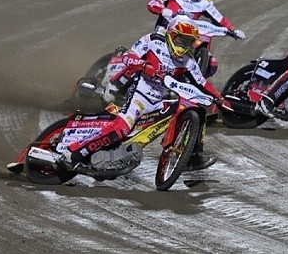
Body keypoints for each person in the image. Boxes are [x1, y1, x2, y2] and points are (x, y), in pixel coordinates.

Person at [59, 17, 230, 172]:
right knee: (122, 128)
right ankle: (71, 153)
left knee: (184, 107)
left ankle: (189, 155)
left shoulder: (188, 60)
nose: (183, 45)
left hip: (160, 100)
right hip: (139, 93)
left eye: (188, 42)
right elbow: (128, 56)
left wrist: (220, 99)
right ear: (171, 34)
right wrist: (144, 66)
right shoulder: (153, 40)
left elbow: (202, 82)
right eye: (180, 39)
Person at [147, 0, 246, 79]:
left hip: (187, 38)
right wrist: (164, 10)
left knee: (211, 63)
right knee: (151, 51)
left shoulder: (205, 0)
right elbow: (153, 1)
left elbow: (218, 18)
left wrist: (233, 30)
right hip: (165, 31)